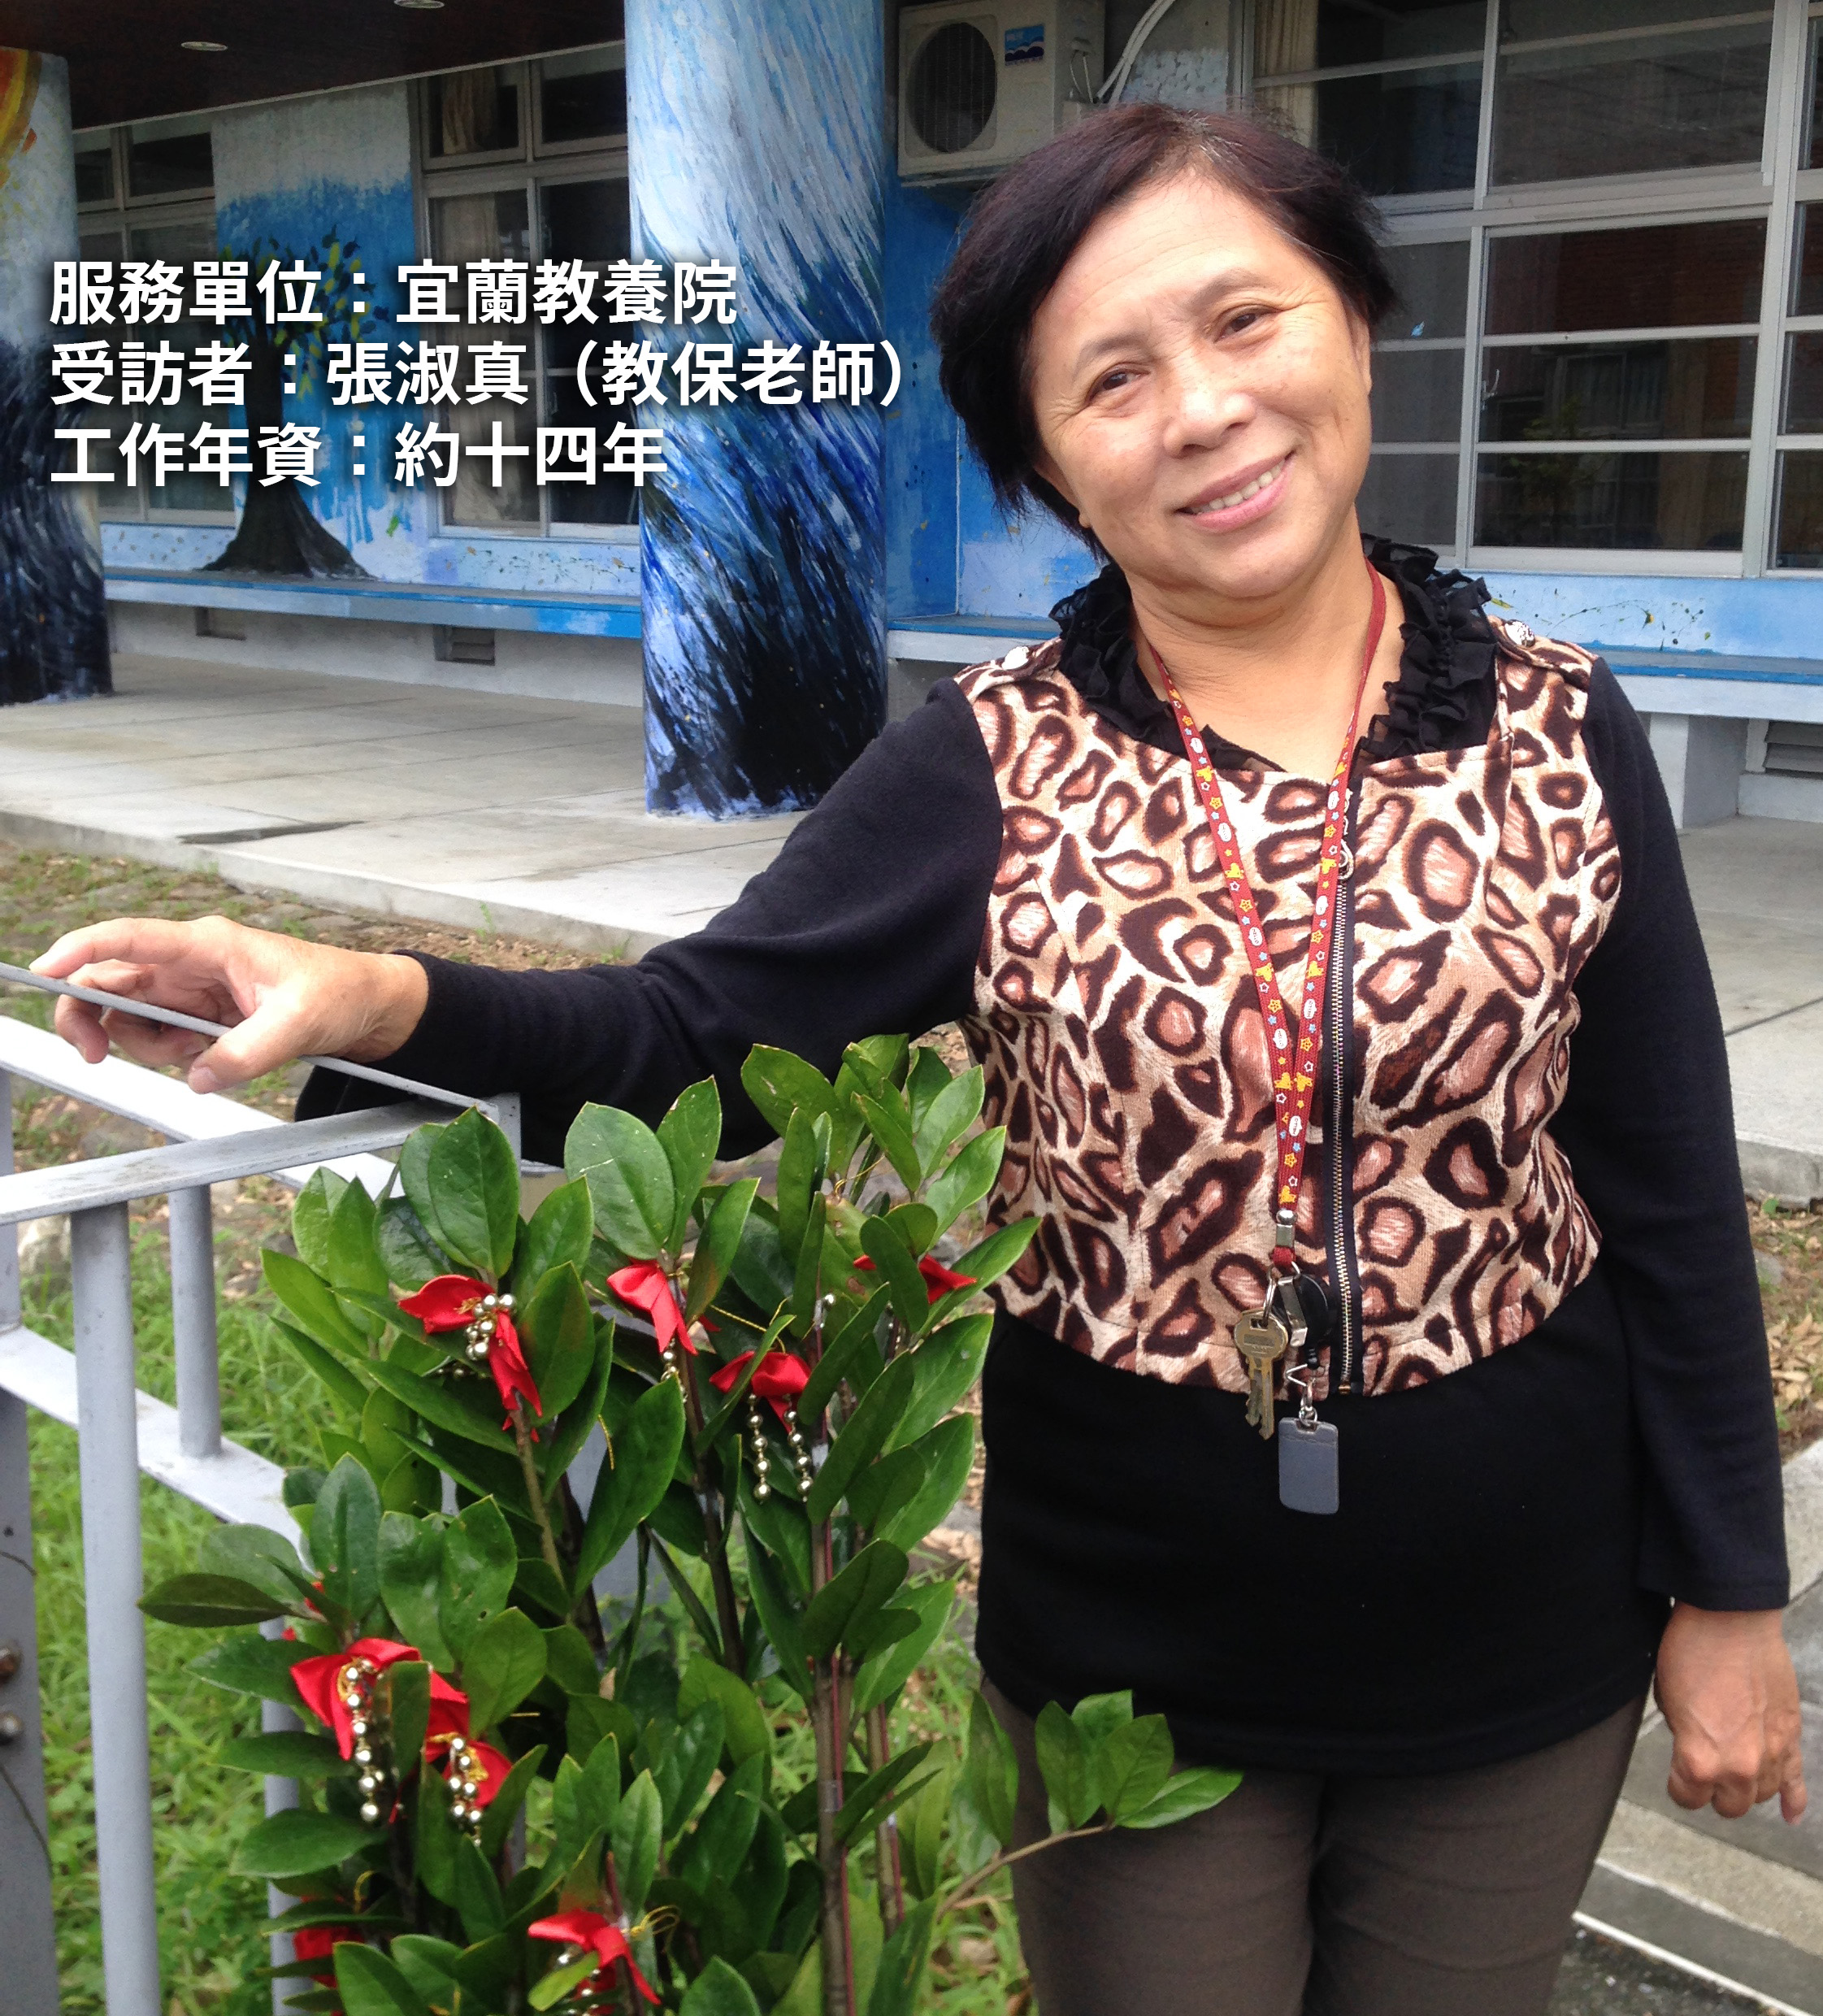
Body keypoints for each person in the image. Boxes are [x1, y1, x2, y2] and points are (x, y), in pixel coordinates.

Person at [37, 102, 1803, 2016]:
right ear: (1047, 464)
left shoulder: (1558, 724)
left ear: (1356, 327)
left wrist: (1731, 1593)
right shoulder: (990, 762)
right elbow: (690, 1039)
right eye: (1113, 378)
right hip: (1138, 1654)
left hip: (1523, 1633)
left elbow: (1665, 1188)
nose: (1206, 410)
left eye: (1246, 320)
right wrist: (373, 995)